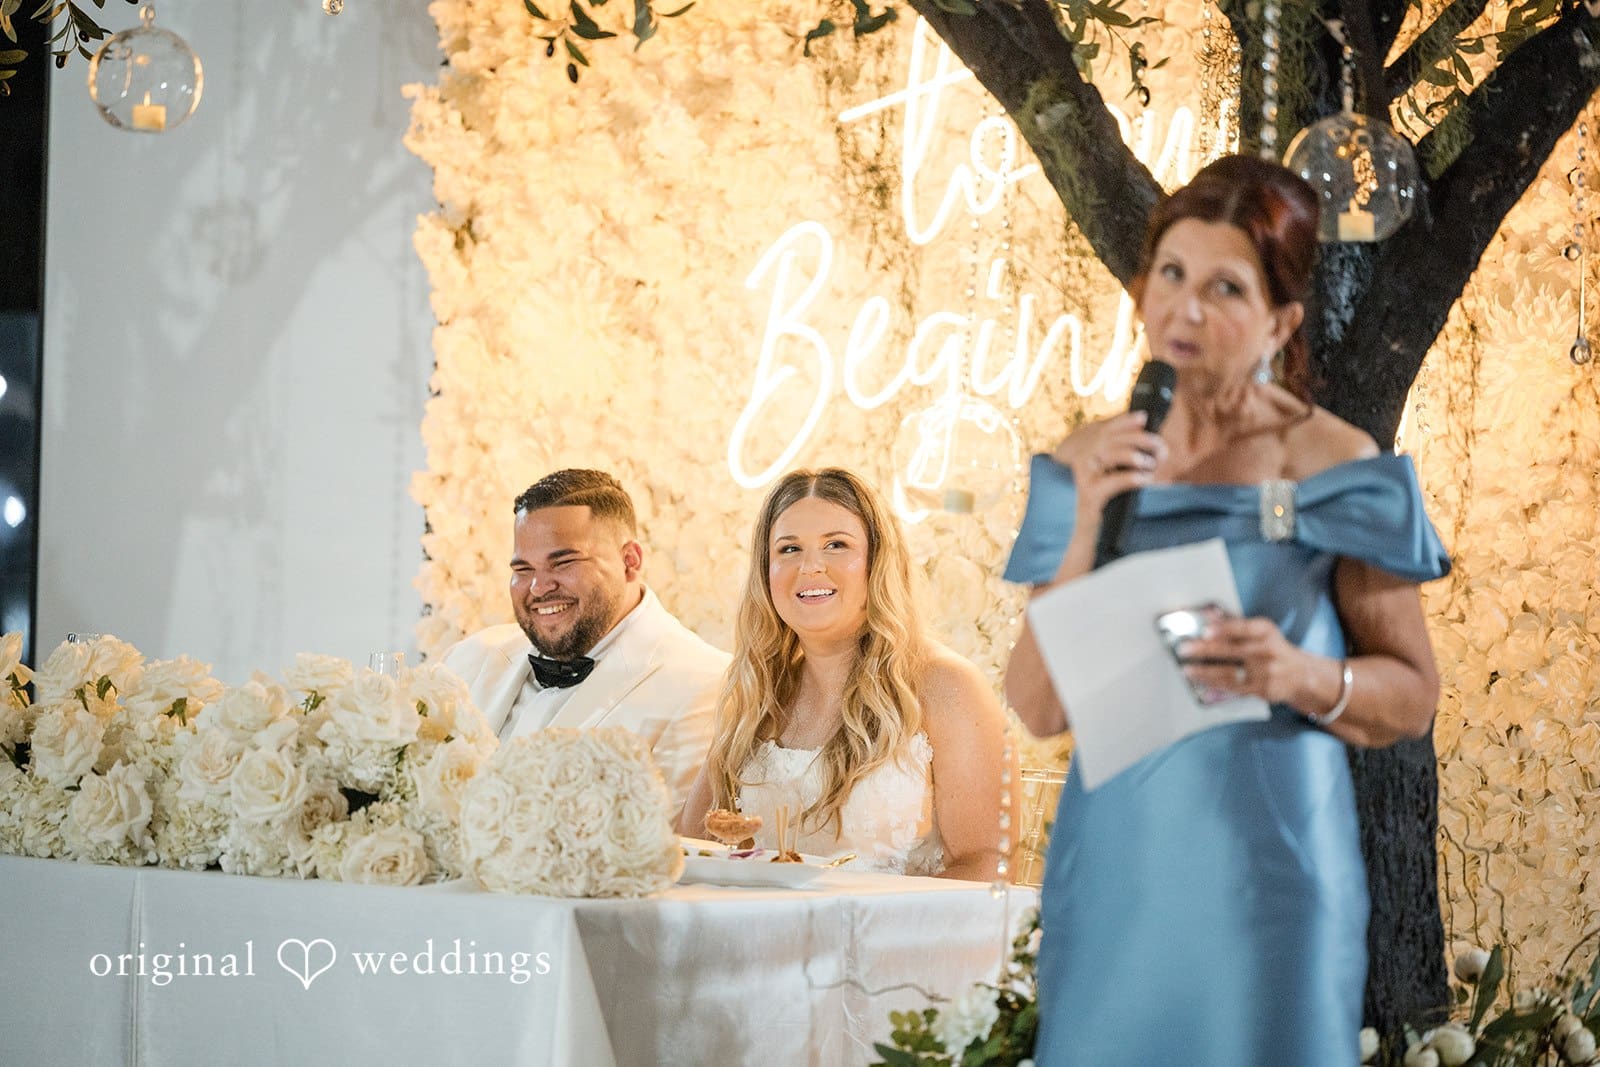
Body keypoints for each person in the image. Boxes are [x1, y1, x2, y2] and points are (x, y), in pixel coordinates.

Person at [1002, 156, 1450, 1065]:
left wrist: (1300, 674)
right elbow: (1039, 705)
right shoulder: (1083, 456)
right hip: (1116, 869)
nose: (1186, 309)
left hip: (1273, 878)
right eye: (1170, 273)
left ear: (1282, 320)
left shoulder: (1332, 460)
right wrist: (1086, 518)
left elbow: (1413, 693)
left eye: (1224, 287)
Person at [678, 467, 1016, 880]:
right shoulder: (759, 695)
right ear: (765, 574)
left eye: (836, 545)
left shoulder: (946, 687)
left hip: (894, 940)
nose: (810, 567)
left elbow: (989, 863)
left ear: (877, 561)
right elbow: (693, 851)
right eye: (789, 549)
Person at [441, 469, 729, 810]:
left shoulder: (706, 685)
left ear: (629, 561)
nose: (539, 587)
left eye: (563, 562)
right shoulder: (468, 658)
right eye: (523, 570)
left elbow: (672, 851)